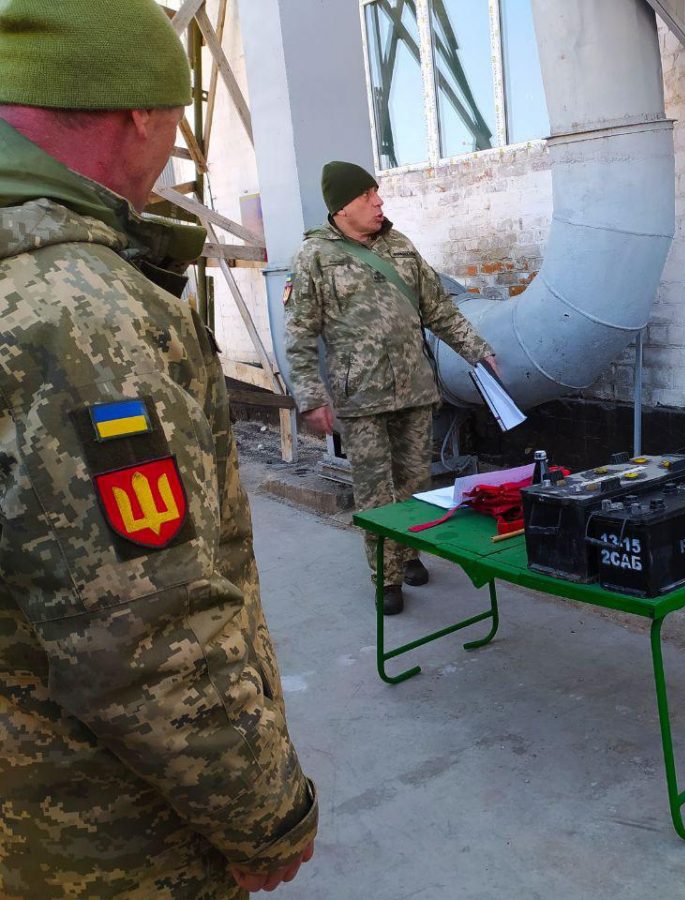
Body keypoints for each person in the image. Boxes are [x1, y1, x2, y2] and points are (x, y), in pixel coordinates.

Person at [0, 2, 317, 896]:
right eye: (176, 119)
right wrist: (268, 815)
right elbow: (146, 634)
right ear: (138, 112)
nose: (174, 147)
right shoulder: (76, 312)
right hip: (95, 839)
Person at [285, 162, 497, 615]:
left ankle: (411, 551)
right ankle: (387, 575)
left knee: (416, 482)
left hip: (415, 389)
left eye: (377, 193)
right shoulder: (314, 257)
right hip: (361, 397)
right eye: (367, 195)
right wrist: (311, 397)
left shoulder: (400, 246)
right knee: (375, 491)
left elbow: (438, 309)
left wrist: (477, 350)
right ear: (342, 207)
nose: (379, 201)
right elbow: (300, 334)